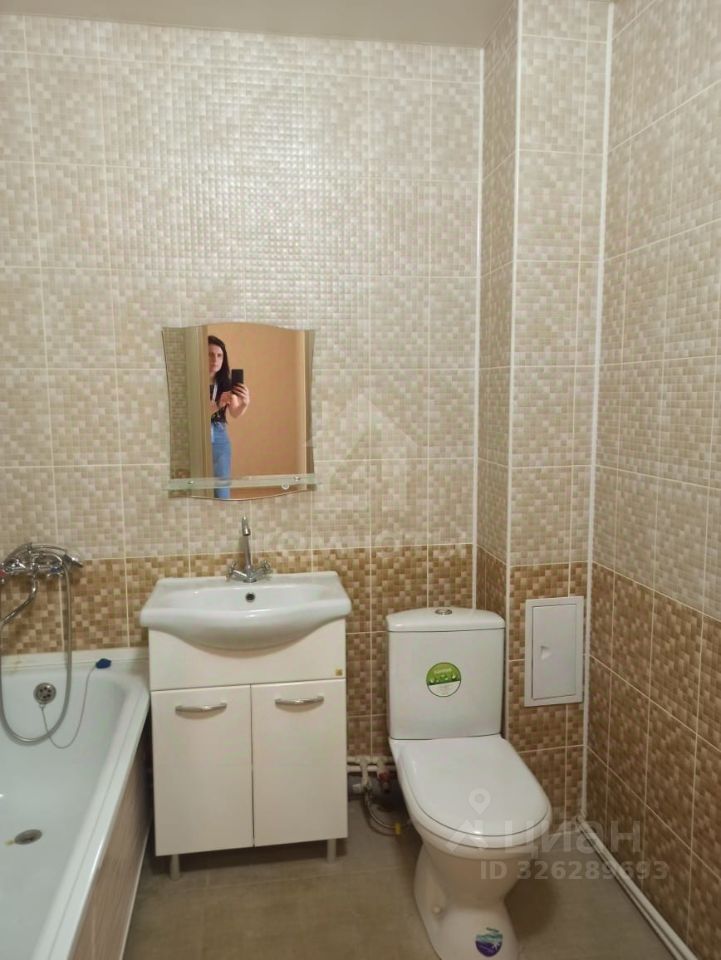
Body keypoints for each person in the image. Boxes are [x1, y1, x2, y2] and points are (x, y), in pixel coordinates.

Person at [208, 335, 250, 499]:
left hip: (219, 432)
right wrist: (218, 405)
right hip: (198, 432)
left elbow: (234, 412)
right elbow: (196, 415)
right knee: (198, 482)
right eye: (210, 354)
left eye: (219, 355)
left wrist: (245, 403)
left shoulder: (225, 382)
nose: (215, 360)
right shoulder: (194, 382)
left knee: (222, 483)